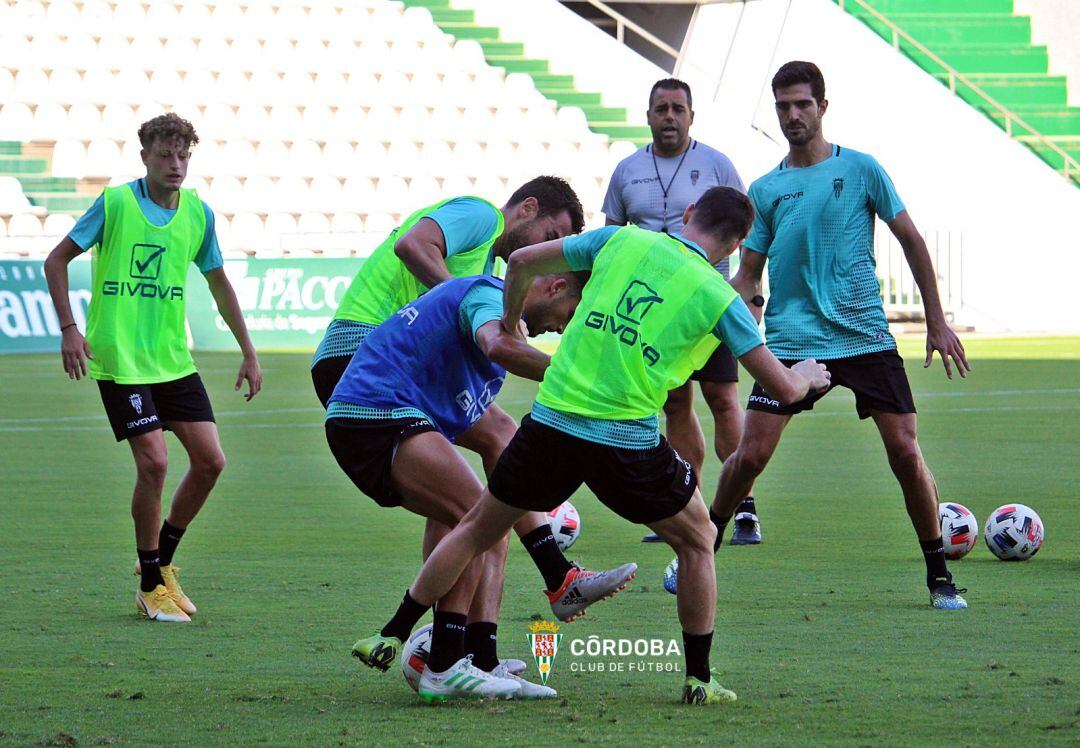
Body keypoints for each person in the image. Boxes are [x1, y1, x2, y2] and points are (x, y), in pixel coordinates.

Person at [360, 187, 831, 704]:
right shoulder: (719, 296)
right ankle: (699, 678)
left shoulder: (620, 240)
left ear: (690, 214)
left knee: (476, 528)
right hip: (625, 438)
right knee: (698, 539)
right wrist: (806, 375)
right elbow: (782, 390)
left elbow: (517, 261)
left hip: (553, 420)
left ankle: (393, 631)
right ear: (738, 244)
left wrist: (513, 319)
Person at [703, 61, 971, 610]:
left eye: (802, 104)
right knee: (750, 456)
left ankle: (939, 574)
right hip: (793, 342)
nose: (792, 115)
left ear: (823, 107)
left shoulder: (863, 169)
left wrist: (937, 321)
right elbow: (750, 272)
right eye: (783, 106)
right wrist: (740, 318)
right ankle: (700, 547)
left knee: (903, 450)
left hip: (865, 336)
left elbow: (913, 242)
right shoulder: (767, 188)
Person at [313, 176, 625, 628]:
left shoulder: (489, 271)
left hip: (397, 369)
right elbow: (413, 245)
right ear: (527, 209)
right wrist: (468, 302)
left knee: (460, 505)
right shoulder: (481, 215)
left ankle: (462, 648)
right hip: (365, 355)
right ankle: (555, 576)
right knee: (496, 450)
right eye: (551, 237)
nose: (549, 253)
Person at [334, 272, 636, 701]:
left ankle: (481, 658)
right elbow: (495, 343)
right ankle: (444, 665)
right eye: (571, 312)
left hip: (395, 417)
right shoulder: (489, 298)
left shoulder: (497, 336)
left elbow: (500, 433)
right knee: (479, 519)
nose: (565, 326)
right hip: (373, 414)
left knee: (490, 508)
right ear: (555, 285)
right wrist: (579, 383)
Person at [43, 113, 262, 623]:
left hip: (172, 361)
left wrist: (248, 350)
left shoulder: (198, 215)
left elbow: (218, 283)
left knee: (211, 463)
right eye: (165, 154)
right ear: (145, 156)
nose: (176, 164)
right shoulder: (117, 203)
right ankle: (148, 584)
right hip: (120, 361)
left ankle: (161, 563)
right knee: (156, 463)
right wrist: (69, 329)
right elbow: (56, 260)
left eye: (184, 155)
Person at [602, 78, 761, 545]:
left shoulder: (717, 164)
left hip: (708, 300)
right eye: (660, 108)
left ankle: (744, 508)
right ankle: (683, 502)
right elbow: (612, 237)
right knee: (674, 402)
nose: (669, 116)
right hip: (653, 308)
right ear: (647, 115)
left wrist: (750, 293)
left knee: (723, 397)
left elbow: (749, 233)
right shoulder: (627, 170)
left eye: (677, 108)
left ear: (692, 116)